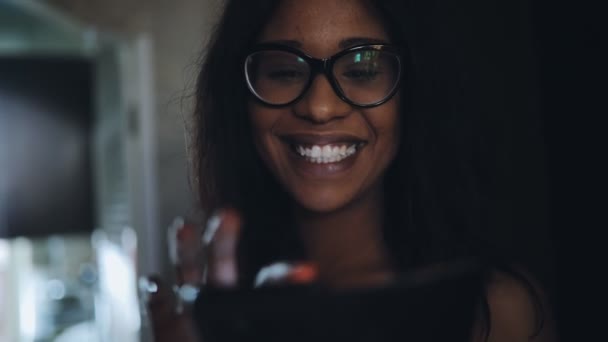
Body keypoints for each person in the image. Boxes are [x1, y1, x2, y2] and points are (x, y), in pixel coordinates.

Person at [141, 0, 558, 341]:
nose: (320, 108)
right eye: (285, 71)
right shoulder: (207, 316)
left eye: (361, 70)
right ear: (241, 98)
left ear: (412, 91)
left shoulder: (492, 310)